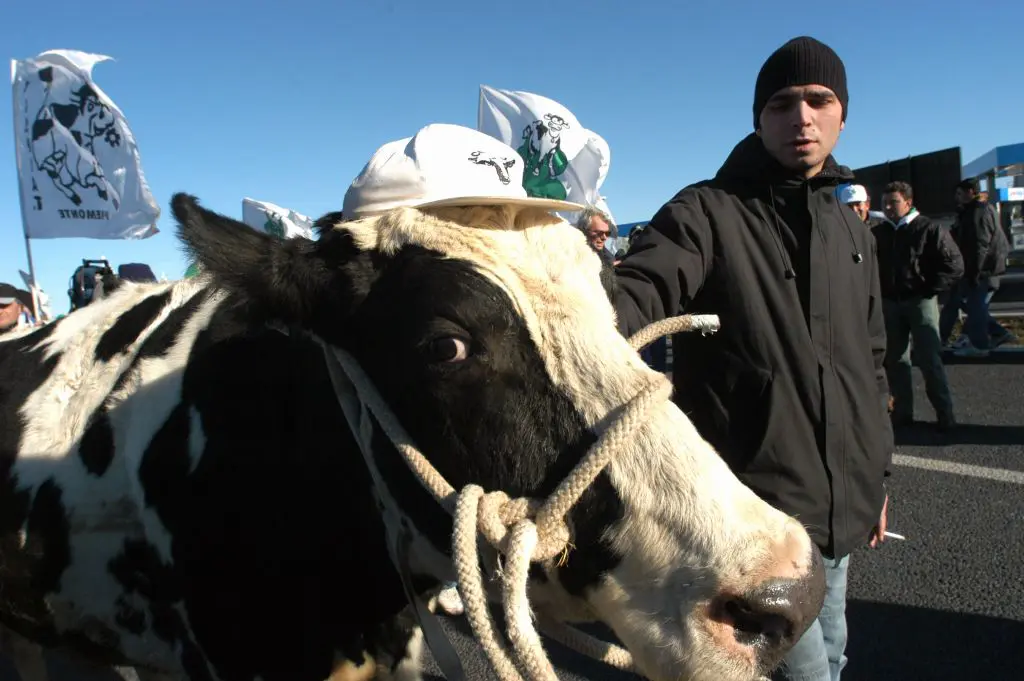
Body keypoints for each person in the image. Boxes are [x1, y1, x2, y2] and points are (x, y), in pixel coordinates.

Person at [613, 36, 893, 681]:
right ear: (757, 119)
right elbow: (636, 294)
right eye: (782, 103)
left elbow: (871, 359)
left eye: (819, 100)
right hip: (752, 511)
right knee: (808, 673)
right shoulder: (704, 212)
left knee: (836, 649)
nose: (802, 116)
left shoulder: (852, 231)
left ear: (842, 116)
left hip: (839, 507)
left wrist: (877, 479)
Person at [873, 181, 963, 429]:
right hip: (891, 304)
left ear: (908, 203)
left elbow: (954, 264)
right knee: (896, 361)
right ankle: (902, 414)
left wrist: (929, 289)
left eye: (894, 202)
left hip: (920, 302)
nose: (889, 207)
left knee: (930, 359)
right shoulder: (880, 233)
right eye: (885, 203)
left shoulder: (929, 229)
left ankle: (945, 416)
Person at [939, 179, 1013, 357]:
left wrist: (974, 272)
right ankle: (997, 334)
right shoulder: (971, 211)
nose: (956, 198)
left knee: (975, 306)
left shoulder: (978, 212)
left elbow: (980, 245)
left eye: (959, 193)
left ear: (971, 192)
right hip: (978, 268)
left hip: (983, 269)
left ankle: (980, 345)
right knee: (967, 305)